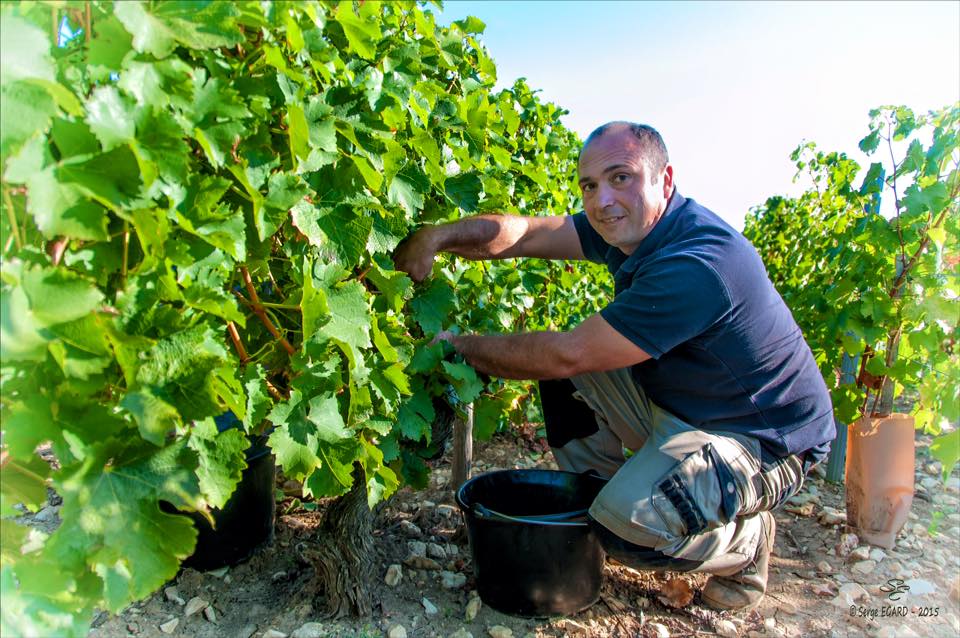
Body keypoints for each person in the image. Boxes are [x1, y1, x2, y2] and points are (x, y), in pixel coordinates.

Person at [393, 122, 836, 611]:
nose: (602, 200)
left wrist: (458, 347)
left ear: (664, 181)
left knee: (622, 530)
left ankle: (744, 544)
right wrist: (439, 236)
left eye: (620, 178)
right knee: (565, 381)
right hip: (691, 406)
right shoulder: (629, 227)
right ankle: (612, 495)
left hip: (765, 441)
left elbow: (570, 352)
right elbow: (524, 234)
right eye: (589, 185)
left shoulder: (694, 263)